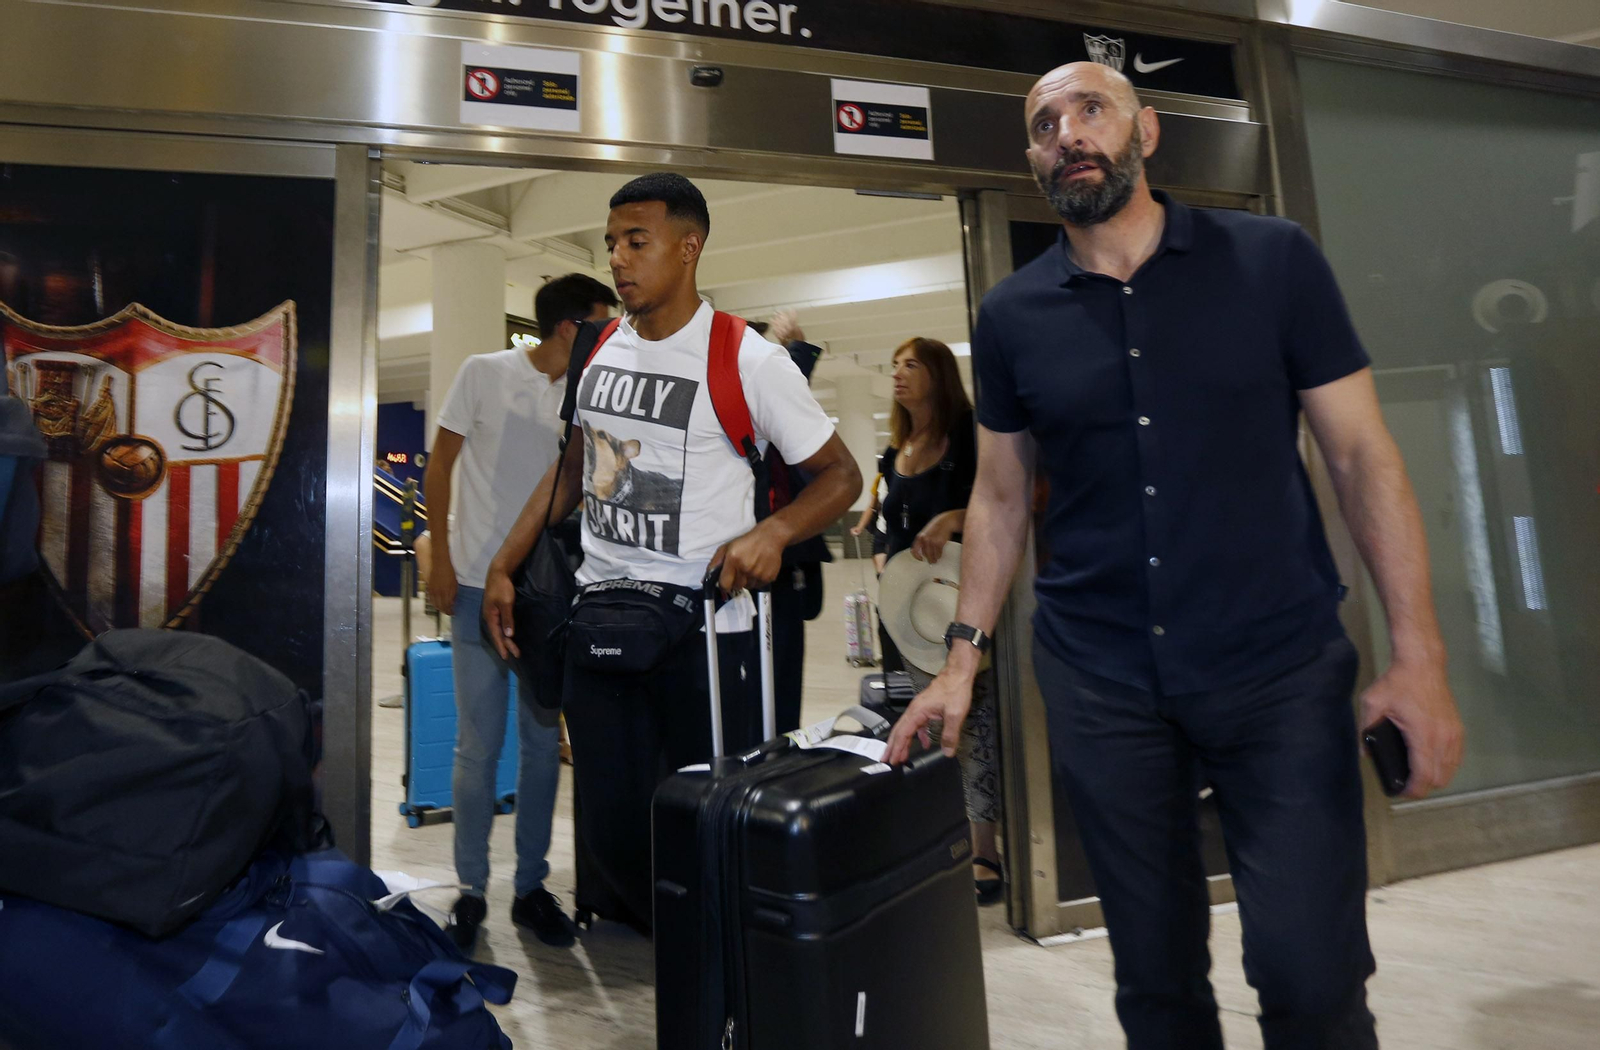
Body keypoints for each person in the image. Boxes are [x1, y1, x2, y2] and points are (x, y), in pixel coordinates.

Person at [884, 61, 1465, 1049]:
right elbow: (996, 493)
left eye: (1090, 111)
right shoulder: (1014, 316)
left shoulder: (1271, 260)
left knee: (1310, 972)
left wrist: (1418, 657)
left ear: (1145, 133)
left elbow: (1361, 454)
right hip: (1102, 678)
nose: (1066, 133)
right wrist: (959, 660)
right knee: (1153, 983)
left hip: (1275, 669)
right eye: (1043, 124)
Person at [483, 173, 861, 931]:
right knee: (615, 819)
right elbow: (571, 469)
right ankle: (636, 928)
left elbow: (842, 477)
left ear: (688, 248)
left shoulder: (748, 359)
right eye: (613, 242)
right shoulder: (595, 351)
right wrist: (503, 563)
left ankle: (712, 960)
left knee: (708, 817)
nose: (619, 259)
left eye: (637, 241)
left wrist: (774, 532)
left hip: (704, 635)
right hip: (601, 621)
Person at [425, 272, 619, 951]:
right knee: (477, 748)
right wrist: (443, 559)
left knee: (542, 749)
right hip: (477, 588)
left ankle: (531, 888)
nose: (610, 336)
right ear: (571, 327)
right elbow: (440, 464)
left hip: (551, 599)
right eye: (601, 324)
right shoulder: (483, 373)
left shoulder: (589, 396)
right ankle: (471, 889)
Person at [875, 336, 1003, 904]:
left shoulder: (971, 435)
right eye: (895, 365)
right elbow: (887, 524)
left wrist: (954, 516)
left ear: (940, 375)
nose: (899, 374)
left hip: (962, 601)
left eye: (912, 365)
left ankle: (984, 848)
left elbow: (1001, 500)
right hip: (909, 610)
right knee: (920, 722)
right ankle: (940, 835)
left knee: (973, 724)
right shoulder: (893, 452)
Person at [748, 310, 831, 734]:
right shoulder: (740, 407)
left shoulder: (778, 422)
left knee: (781, 690)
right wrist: (796, 352)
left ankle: (777, 768)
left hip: (784, 569)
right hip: (754, 572)